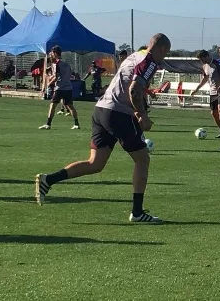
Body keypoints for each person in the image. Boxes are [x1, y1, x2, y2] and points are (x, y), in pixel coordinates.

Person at [35, 33, 171, 223]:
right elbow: (133, 89)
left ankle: (48, 180)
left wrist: (144, 96)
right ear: (163, 49)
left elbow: (128, 82)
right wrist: (142, 115)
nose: (163, 58)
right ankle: (138, 212)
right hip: (118, 113)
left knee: (95, 164)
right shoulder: (149, 62)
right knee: (142, 159)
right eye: (165, 54)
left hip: (101, 110)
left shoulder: (134, 56)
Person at [38, 46, 80, 130]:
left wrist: (48, 84)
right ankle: (76, 124)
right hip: (68, 88)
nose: (51, 55)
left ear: (55, 53)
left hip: (60, 88)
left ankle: (48, 124)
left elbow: (56, 77)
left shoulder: (56, 65)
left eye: (52, 53)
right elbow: (66, 73)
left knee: (52, 106)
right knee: (70, 106)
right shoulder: (66, 64)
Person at [191, 50, 220, 138]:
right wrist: (196, 89)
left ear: (207, 56)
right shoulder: (205, 66)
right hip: (212, 92)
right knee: (213, 112)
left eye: (202, 59)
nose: (201, 61)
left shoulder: (217, 64)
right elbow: (205, 79)